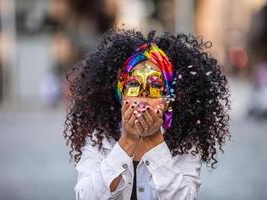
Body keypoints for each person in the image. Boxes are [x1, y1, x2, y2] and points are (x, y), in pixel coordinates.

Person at [63, 29, 230, 200]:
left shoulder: (185, 140)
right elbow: (86, 196)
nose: (143, 96)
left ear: (169, 97)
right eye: (134, 84)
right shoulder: (99, 136)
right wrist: (126, 141)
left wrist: (154, 141)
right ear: (121, 92)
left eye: (156, 86)